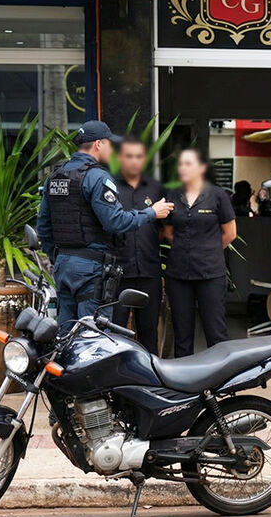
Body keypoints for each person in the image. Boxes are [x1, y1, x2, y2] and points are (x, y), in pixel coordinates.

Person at [37, 120, 173, 330]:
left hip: (63, 266)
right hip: (90, 271)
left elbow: (44, 226)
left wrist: (58, 257)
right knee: (93, 337)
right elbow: (115, 221)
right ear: (98, 144)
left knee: (66, 333)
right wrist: (151, 212)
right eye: (110, 143)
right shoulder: (96, 177)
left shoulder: (55, 177)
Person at [163, 148, 237, 357]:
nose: (183, 168)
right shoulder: (172, 195)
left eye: (189, 164)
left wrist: (208, 249)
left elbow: (230, 234)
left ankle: (221, 379)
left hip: (210, 273)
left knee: (216, 331)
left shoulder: (217, 195)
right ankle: (184, 383)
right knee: (182, 332)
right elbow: (168, 233)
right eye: (181, 164)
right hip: (178, 274)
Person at [111, 136, 165, 353]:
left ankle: (150, 381)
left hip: (149, 272)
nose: (134, 161)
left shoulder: (156, 188)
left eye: (139, 156)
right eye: (129, 156)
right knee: (115, 334)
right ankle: (116, 382)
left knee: (149, 332)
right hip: (118, 274)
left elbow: (164, 229)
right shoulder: (109, 187)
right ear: (120, 158)